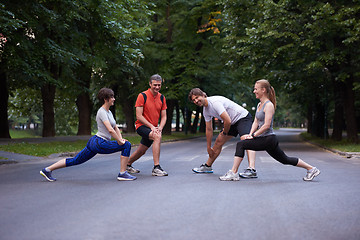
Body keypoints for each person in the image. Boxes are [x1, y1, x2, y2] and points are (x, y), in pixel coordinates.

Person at [219, 79, 321, 181]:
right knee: (285, 159)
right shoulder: (259, 105)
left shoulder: (269, 105)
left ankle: (233, 172)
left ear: (263, 90)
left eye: (256, 89)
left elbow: (267, 125)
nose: (254, 91)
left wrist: (253, 136)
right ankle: (311, 169)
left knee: (241, 144)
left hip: (268, 139)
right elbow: (256, 122)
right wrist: (249, 134)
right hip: (266, 139)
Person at [40, 88, 136, 182]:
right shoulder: (101, 112)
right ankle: (123, 173)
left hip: (95, 142)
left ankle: (47, 170)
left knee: (76, 160)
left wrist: (121, 138)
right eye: (112, 97)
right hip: (99, 142)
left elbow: (115, 127)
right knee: (126, 145)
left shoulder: (109, 112)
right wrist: (120, 142)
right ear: (105, 99)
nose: (114, 99)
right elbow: (110, 130)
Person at [188, 88, 256, 177]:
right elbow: (209, 129)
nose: (196, 101)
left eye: (197, 97)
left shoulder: (214, 102)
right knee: (218, 142)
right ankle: (208, 166)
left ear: (203, 95)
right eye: (194, 100)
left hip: (242, 117)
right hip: (231, 121)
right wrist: (208, 147)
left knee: (246, 140)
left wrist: (224, 133)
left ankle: (252, 169)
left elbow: (227, 120)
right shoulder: (205, 111)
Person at [126, 74, 168, 176]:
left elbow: (164, 116)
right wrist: (152, 127)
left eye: (159, 85)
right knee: (157, 136)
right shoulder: (142, 96)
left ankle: (127, 165)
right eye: (155, 85)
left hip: (152, 128)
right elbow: (139, 116)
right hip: (141, 126)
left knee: (142, 150)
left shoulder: (162, 98)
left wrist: (160, 127)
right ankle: (156, 168)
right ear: (150, 84)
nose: (157, 87)